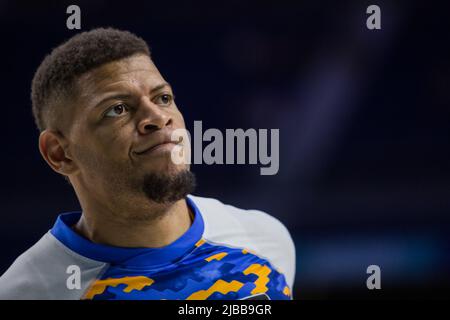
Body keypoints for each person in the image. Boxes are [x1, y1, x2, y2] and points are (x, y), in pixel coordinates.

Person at [0, 28, 295, 300]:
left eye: (163, 98)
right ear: (59, 153)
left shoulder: (265, 241)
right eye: (117, 109)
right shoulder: (25, 292)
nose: (157, 117)